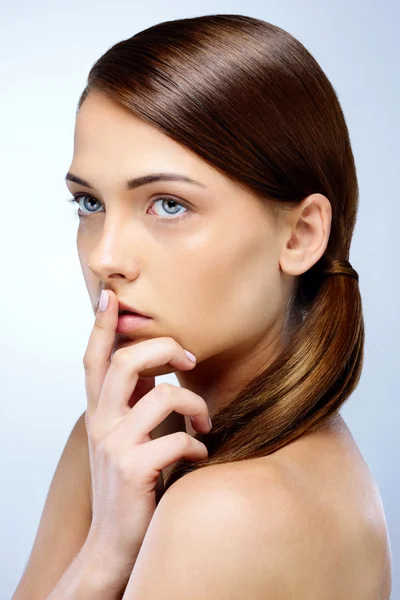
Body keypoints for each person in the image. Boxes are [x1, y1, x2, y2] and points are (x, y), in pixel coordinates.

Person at [13, 13, 391, 600]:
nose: (105, 257)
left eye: (168, 205)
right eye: (89, 203)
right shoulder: (121, 448)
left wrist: (106, 553)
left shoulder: (230, 511)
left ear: (300, 236)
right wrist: (107, 538)